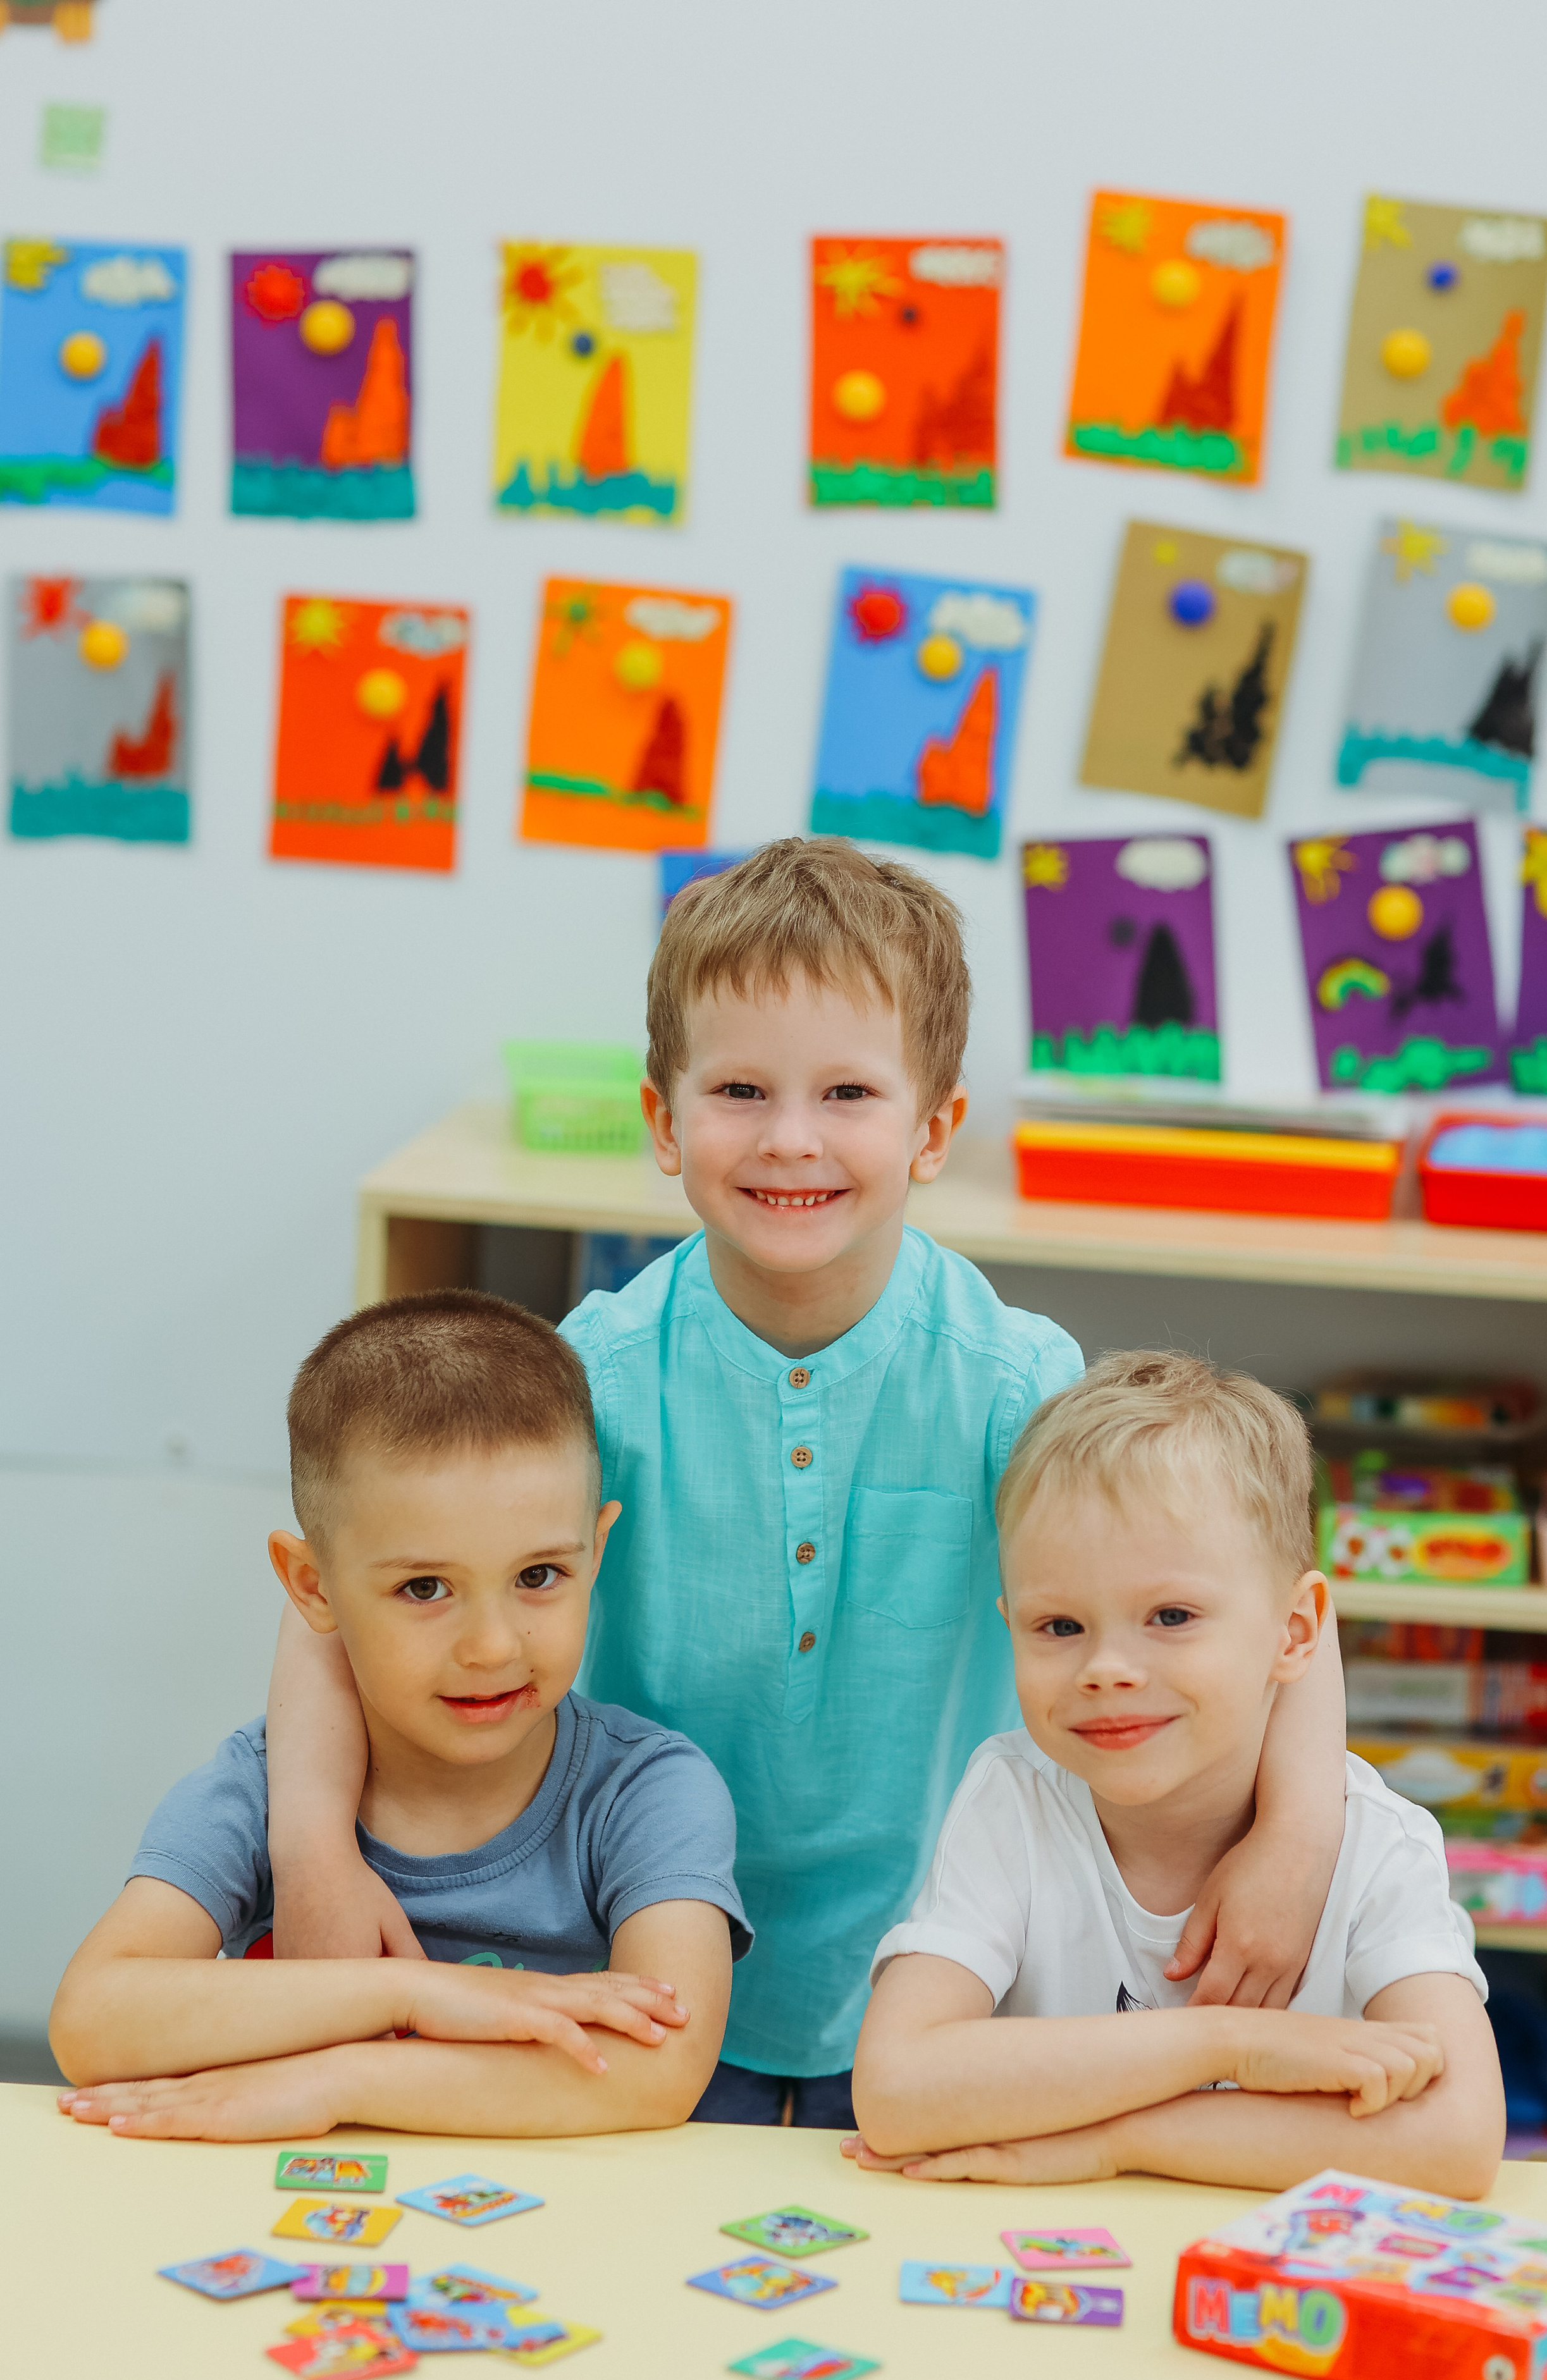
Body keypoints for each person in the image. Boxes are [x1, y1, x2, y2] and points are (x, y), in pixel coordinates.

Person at [260, 839, 1349, 2131]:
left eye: (845, 1092)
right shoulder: (587, 1381)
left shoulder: (1011, 1381)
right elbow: (349, 1582)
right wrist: (312, 1850)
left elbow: (1252, 1578)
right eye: (737, 1089)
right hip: (634, 1951)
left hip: (946, 1960)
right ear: (662, 1122)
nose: (790, 1139)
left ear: (932, 1126)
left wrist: (1293, 1839)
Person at [49, 1293, 748, 2141]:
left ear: (596, 1550)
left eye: (538, 1577)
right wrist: (417, 1993)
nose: (492, 1647)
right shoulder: (254, 1788)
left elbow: (661, 2071)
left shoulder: (649, 1793)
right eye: (425, 1588)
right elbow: (91, 2022)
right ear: (313, 1586)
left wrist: (340, 2081)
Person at [846, 1352, 1505, 2196]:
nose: (1107, 1668)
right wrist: (1226, 2047)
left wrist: (1118, 2139)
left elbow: (1457, 2140)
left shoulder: (1380, 1845)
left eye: (1171, 1616)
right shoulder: (1011, 1801)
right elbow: (897, 2092)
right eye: (1059, 1626)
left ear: (1295, 1630)